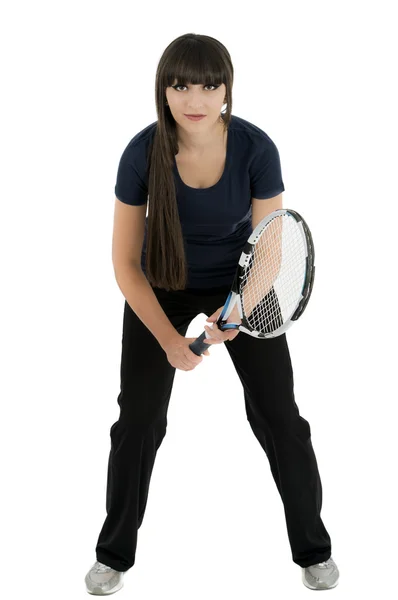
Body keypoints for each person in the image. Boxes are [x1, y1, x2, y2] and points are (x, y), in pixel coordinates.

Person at [85, 33, 339, 595]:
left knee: (280, 417)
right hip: (163, 285)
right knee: (138, 422)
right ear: (164, 89)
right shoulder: (141, 151)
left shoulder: (256, 148)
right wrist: (172, 342)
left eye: (208, 84)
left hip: (243, 284)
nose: (193, 96)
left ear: (227, 90)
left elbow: (271, 244)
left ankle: (314, 551)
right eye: (180, 84)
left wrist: (237, 311)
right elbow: (126, 263)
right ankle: (113, 556)